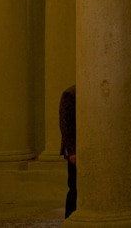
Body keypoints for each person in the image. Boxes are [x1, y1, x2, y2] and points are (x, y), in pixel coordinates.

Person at [59, 85, 76, 218]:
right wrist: (72, 151)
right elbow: (66, 125)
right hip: (76, 149)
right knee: (74, 187)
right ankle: (70, 218)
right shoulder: (70, 94)